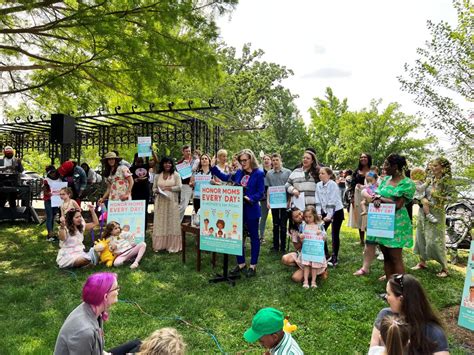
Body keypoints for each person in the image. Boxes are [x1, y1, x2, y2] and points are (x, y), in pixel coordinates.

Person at [211, 149, 265, 277]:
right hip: (237, 210)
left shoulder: (259, 173)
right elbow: (226, 177)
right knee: (236, 236)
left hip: (251, 209)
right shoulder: (240, 172)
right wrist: (213, 167)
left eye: (245, 160)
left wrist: (250, 198)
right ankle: (241, 263)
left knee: (254, 237)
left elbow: (261, 192)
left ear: (251, 159)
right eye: (241, 161)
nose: (243, 163)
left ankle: (253, 266)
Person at [370, 274, 449, 354]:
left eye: (388, 294)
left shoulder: (433, 332)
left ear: (401, 299)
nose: (386, 297)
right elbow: (373, 348)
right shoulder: (385, 315)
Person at [371, 154, 415, 279]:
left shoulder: (407, 183)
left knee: (395, 257)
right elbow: (377, 194)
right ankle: (390, 286)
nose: (383, 167)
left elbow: (398, 205)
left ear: (395, 166)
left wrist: (381, 198)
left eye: (386, 164)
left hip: (397, 223)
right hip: (382, 221)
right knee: (386, 255)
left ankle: (400, 290)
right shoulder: (385, 180)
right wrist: (376, 199)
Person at [54, 272, 120, 354]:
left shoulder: (94, 310)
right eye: (116, 288)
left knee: (136, 344)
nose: (118, 291)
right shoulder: (84, 332)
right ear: (105, 297)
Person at [412, 157, 453, 278]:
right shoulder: (428, 179)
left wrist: (441, 198)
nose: (432, 168)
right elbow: (419, 191)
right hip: (422, 212)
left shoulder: (446, 182)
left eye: (436, 166)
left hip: (436, 212)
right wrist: (418, 199)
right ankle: (422, 262)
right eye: (432, 166)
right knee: (421, 236)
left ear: (443, 168)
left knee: (435, 240)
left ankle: (444, 268)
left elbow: (452, 197)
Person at [315, 167, 345, 267]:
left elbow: (332, 201)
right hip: (324, 211)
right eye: (319, 173)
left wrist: (329, 216)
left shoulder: (333, 185)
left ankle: (334, 256)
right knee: (320, 231)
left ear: (329, 175)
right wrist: (319, 213)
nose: (320, 175)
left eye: (323, 173)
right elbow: (317, 200)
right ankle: (325, 254)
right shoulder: (318, 185)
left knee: (334, 234)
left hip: (336, 211)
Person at [152, 156, 182, 253]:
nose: (167, 165)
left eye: (169, 163)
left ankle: (172, 245)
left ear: (172, 164)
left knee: (172, 222)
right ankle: (160, 245)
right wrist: (158, 191)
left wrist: (170, 188)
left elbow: (180, 187)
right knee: (160, 222)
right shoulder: (157, 176)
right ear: (162, 164)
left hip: (172, 202)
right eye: (165, 163)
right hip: (160, 202)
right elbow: (153, 188)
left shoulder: (176, 175)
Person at [266, 153, 292, 252]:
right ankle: (275, 246)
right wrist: (268, 201)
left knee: (283, 225)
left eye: (277, 160)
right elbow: (268, 188)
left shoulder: (288, 172)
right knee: (275, 224)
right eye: (273, 160)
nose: (275, 162)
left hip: (285, 203)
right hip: (274, 203)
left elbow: (290, 188)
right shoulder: (269, 174)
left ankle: (283, 247)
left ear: (281, 160)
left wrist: (289, 201)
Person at [348, 153, 372, 245]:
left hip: (369, 196)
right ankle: (362, 240)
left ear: (368, 159)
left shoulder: (372, 171)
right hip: (358, 196)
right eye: (361, 157)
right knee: (359, 217)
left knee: (368, 217)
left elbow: (376, 183)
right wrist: (352, 198)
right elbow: (352, 186)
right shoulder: (356, 171)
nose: (362, 158)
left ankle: (370, 239)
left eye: (365, 157)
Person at [301, 206, 327, 289]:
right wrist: (301, 237)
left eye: (310, 217)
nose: (308, 219)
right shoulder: (304, 226)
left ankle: (313, 281)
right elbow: (302, 240)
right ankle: (305, 281)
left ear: (314, 216)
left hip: (316, 251)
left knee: (315, 265)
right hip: (307, 250)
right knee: (306, 265)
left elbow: (325, 238)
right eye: (306, 217)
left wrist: (321, 234)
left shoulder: (319, 226)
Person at [281, 208, 305, 283]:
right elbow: (297, 248)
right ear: (292, 220)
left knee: (296, 278)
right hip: (301, 252)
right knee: (284, 259)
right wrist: (300, 240)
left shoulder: (309, 222)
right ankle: (301, 266)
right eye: (296, 216)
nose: (300, 216)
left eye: (300, 213)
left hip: (311, 254)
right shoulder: (294, 230)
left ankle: (315, 270)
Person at [0, 146, 24, 210]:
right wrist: (5, 168)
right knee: (2, 199)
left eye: (10, 153)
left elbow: (21, 170)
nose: (9, 154)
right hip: (2, 181)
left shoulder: (16, 160)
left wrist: (19, 164)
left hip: (13, 181)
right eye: (8, 153)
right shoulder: (0, 159)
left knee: (12, 199)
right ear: (4, 153)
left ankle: (13, 215)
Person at [177, 145, 195, 222]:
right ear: (183, 152)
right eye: (186, 151)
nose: (188, 153)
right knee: (183, 206)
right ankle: (176, 223)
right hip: (186, 185)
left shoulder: (195, 160)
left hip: (196, 186)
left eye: (189, 151)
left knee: (197, 206)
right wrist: (184, 165)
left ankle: (195, 223)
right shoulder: (180, 163)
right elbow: (180, 175)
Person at [43, 165, 61, 241]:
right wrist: (48, 193)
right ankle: (50, 235)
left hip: (56, 200)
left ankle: (51, 233)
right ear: (48, 173)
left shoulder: (60, 179)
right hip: (48, 200)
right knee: (49, 216)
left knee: (53, 216)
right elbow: (44, 190)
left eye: (53, 172)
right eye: (51, 173)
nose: (53, 174)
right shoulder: (46, 180)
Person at [259, 153, 273, 243]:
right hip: (264, 198)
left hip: (275, 197)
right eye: (265, 159)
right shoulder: (260, 172)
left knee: (276, 218)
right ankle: (261, 236)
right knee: (263, 217)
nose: (266, 160)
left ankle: (275, 237)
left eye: (268, 159)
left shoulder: (273, 171)